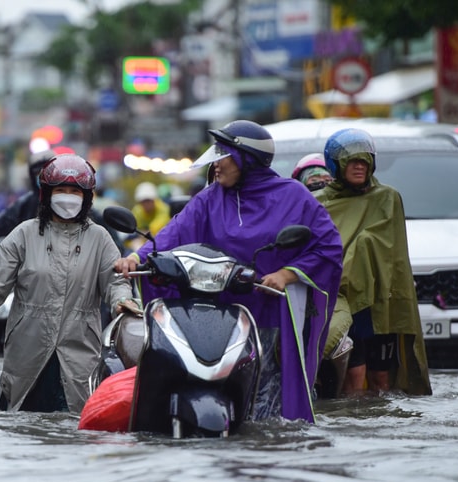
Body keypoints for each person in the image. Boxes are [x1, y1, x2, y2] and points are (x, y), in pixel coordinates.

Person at [116, 120, 344, 423]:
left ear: (247, 159)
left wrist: (287, 274)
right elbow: (174, 233)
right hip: (218, 314)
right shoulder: (210, 198)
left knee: (267, 408)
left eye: (223, 155)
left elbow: (328, 247)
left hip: (271, 314)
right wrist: (136, 257)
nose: (216, 163)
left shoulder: (294, 196)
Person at [0, 154, 141, 413]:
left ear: (86, 197)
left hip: (78, 349)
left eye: (75, 191)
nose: (67, 197)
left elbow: (114, 281)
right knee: (19, 421)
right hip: (27, 346)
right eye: (61, 190)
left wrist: (123, 301)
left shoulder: (100, 238)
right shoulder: (23, 234)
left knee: (72, 422)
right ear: (46, 194)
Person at [314, 128, 431, 395]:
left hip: (379, 301)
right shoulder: (318, 203)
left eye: (364, 161)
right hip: (343, 299)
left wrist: (363, 249)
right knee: (352, 374)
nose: (359, 166)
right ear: (336, 164)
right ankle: (353, 418)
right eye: (352, 161)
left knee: (381, 377)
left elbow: (391, 249)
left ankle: (378, 418)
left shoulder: (388, 198)